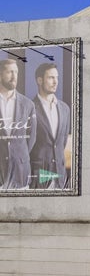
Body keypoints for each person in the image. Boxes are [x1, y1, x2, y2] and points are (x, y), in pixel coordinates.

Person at [28, 62, 71, 189]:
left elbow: (61, 143)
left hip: (60, 177)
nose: (55, 82)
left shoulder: (65, 109)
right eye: (51, 77)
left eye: (57, 77)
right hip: (38, 177)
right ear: (40, 80)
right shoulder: (29, 108)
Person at [0, 57, 34, 189]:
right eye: (9, 72)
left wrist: (19, 155)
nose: (14, 76)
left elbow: (32, 137)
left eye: (16, 72)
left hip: (21, 173)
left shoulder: (28, 104)